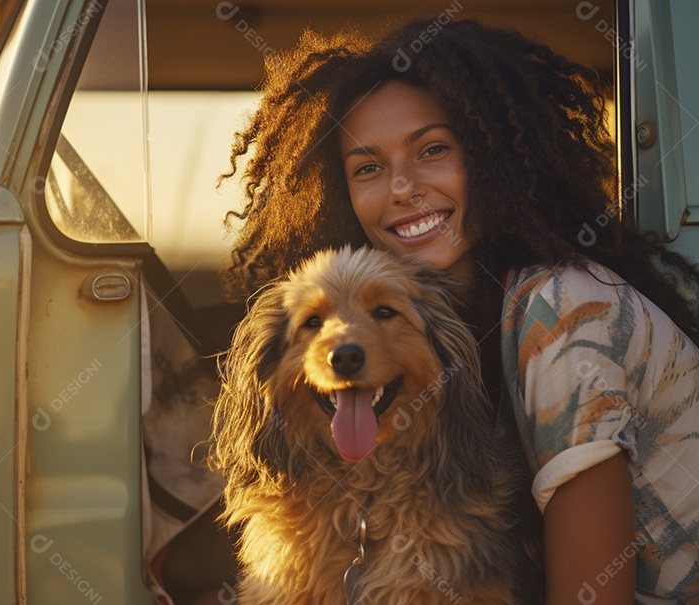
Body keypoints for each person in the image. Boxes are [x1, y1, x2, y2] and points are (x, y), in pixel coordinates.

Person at [222, 18, 699, 604]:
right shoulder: (456, 320)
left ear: (492, 156)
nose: (402, 187)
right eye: (368, 167)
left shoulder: (567, 312)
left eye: (433, 150)